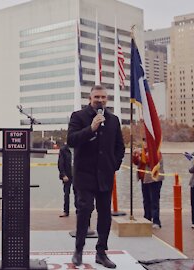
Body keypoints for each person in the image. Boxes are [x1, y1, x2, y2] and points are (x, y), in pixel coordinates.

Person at [67, 85, 125, 268]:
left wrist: (113, 165)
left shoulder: (114, 120)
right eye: (96, 97)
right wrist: (91, 128)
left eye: (103, 97)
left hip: (105, 175)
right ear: (90, 98)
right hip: (84, 175)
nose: (100, 100)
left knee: (105, 214)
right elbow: (71, 140)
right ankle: (79, 250)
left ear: (106, 99)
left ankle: (101, 252)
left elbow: (120, 147)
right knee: (84, 211)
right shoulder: (78, 116)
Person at [132, 138, 164, 229]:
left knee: (154, 201)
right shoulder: (143, 151)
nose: (145, 143)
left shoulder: (156, 152)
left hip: (154, 180)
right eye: (144, 141)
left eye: (146, 141)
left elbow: (150, 161)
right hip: (144, 179)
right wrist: (135, 155)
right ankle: (147, 218)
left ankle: (156, 221)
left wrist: (140, 154)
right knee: (146, 200)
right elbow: (136, 162)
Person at [57, 143, 76, 217]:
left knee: (78, 193)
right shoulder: (63, 150)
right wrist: (63, 175)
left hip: (77, 175)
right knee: (66, 193)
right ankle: (66, 211)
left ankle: (79, 211)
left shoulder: (78, 147)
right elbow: (60, 163)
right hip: (67, 175)